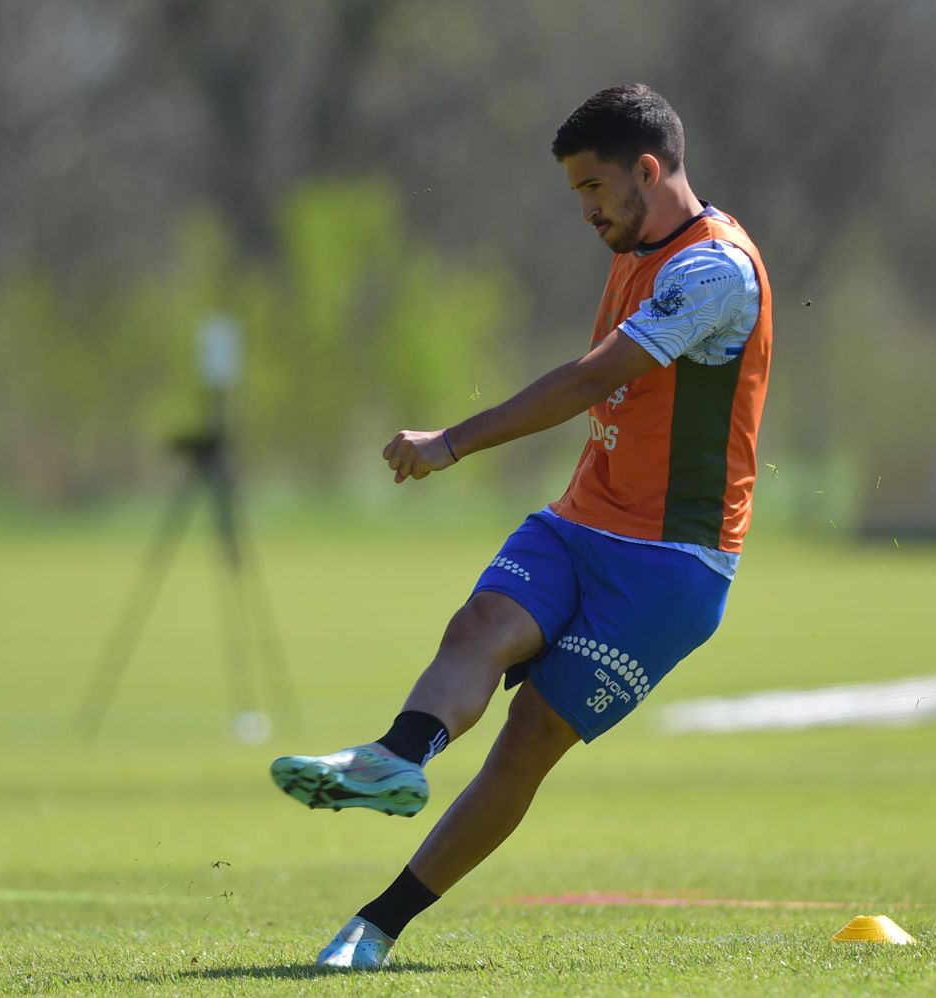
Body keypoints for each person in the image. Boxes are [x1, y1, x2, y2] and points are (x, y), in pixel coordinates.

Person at [269, 83, 773, 969]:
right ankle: (395, 757)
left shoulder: (713, 272)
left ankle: (376, 925)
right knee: (481, 626)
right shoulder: (638, 242)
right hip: (580, 520)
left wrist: (451, 442)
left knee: (528, 740)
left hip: (670, 566)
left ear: (646, 172)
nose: (582, 208)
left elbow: (589, 380)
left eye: (591, 188)